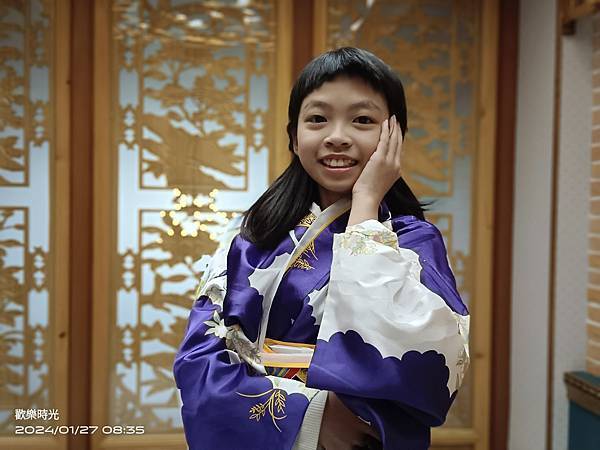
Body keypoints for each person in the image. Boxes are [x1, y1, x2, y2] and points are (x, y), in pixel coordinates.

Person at [173, 47, 470, 450]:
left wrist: (365, 207)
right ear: (293, 136)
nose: (337, 137)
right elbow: (198, 359)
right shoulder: (250, 237)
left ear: (393, 136)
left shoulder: (414, 241)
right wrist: (313, 416)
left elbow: (425, 363)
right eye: (317, 119)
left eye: (362, 120)